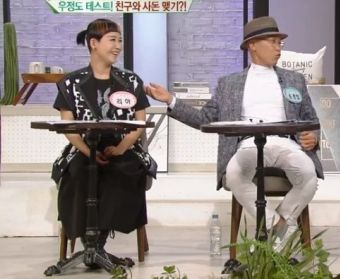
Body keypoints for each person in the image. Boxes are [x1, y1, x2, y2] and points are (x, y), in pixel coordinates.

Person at [146, 15, 321, 252]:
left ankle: (277, 227)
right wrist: (170, 100)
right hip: (248, 145)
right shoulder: (229, 83)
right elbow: (205, 119)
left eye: (280, 43)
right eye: (272, 42)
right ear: (252, 45)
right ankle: (276, 227)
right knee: (234, 174)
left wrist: (313, 136)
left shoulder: (294, 80)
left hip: (286, 144)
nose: (278, 48)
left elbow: (311, 120)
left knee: (309, 174)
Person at [51, 19, 154, 269]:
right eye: (112, 40)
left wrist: (120, 148)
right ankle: (90, 244)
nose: (118, 46)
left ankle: (96, 245)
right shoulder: (70, 83)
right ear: (93, 43)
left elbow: (139, 124)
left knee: (122, 170)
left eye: (120, 40)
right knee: (79, 171)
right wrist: (89, 152)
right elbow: (68, 127)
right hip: (83, 147)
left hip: (123, 146)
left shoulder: (130, 81)